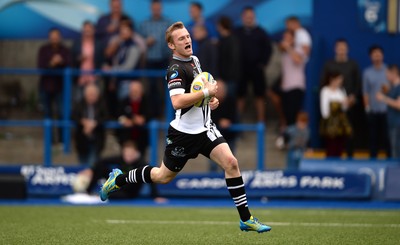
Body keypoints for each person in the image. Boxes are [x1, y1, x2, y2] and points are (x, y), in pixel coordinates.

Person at [99, 21, 271, 233]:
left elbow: (198, 94)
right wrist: (206, 93)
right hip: (184, 135)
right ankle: (119, 178)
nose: (187, 39)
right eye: (181, 38)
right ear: (172, 46)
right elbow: (177, 102)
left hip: (206, 129)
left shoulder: (195, 60)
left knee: (231, 163)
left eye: (188, 36)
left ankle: (246, 219)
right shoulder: (175, 69)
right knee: (162, 176)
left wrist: (210, 101)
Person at [85, 140, 166, 202]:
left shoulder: (142, 163)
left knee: (109, 195)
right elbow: (102, 161)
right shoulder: (121, 159)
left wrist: (156, 196)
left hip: (129, 191)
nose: (128, 157)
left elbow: (151, 178)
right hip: (118, 185)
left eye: (130, 154)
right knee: (100, 167)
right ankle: (87, 192)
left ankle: (102, 194)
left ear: (136, 152)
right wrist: (91, 169)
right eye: (126, 154)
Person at [320, 39, 361, 157]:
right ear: (335, 49)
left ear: (347, 49)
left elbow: (357, 83)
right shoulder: (329, 64)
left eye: (344, 48)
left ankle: (349, 159)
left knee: (347, 136)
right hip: (331, 117)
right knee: (331, 142)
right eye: (339, 47)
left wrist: (352, 98)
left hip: (348, 108)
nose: (341, 50)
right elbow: (323, 84)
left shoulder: (353, 64)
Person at [235, 6, 272, 122]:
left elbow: (268, 49)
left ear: (254, 17)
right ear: (242, 17)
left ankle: (261, 121)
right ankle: (237, 122)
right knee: (240, 95)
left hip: (257, 68)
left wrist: (263, 63)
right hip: (241, 69)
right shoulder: (237, 32)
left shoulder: (261, 32)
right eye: (247, 17)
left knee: (260, 95)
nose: (249, 19)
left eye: (251, 17)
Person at [37, 28, 71, 143]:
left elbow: (69, 64)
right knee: (47, 114)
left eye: (56, 36)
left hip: (61, 87)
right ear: (49, 37)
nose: (54, 39)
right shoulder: (43, 49)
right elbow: (40, 66)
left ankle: (62, 140)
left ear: (60, 37)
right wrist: (51, 63)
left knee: (62, 113)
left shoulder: (65, 50)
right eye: (52, 36)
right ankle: (50, 141)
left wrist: (60, 62)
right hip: (45, 86)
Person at [139, 0, 172, 118]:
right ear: (151, 9)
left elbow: (173, 40)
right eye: (154, 8)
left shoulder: (168, 23)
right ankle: (153, 115)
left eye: (158, 8)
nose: (156, 11)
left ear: (161, 9)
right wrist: (145, 42)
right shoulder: (144, 24)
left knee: (165, 89)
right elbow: (139, 43)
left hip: (164, 60)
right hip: (149, 61)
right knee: (151, 89)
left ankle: (165, 115)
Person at [103, 21, 141, 106]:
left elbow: (128, 68)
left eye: (126, 31)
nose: (123, 33)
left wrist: (111, 70)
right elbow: (114, 61)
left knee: (125, 106)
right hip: (119, 82)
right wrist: (113, 80)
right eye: (121, 31)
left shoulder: (134, 47)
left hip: (129, 83)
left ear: (131, 33)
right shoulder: (121, 46)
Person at [362, 45, 390, 158]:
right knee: (373, 138)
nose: (377, 56)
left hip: (387, 110)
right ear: (371, 57)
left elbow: (394, 89)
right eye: (375, 54)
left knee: (388, 138)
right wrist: (367, 108)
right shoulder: (367, 73)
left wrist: (387, 90)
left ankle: (391, 160)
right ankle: (373, 161)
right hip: (373, 110)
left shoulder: (388, 71)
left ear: (382, 55)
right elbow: (365, 92)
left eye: (379, 54)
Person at [72, 84, 107, 166]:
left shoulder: (102, 104)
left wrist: (95, 123)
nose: (91, 97)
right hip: (82, 140)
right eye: (89, 95)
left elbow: (106, 117)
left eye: (94, 95)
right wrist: (83, 122)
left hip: (96, 139)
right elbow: (74, 116)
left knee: (92, 165)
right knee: (82, 165)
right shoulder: (79, 104)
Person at [320, 71, 353, 157]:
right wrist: (339, 104)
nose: (340, 81)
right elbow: (324, 110)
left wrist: (348, 102)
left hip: (341, 124)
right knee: (331, 146)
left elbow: (344, 108)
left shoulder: (341, 91)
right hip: (330, 123)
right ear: (332, 79)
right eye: (339, 79)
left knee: (340, 146)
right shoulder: (325, 90)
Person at [279, 30, 307, 126]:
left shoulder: (299, 50)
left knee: (293, 115)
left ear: (294, 39)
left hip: (296, 86)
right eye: (285, 37)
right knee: (286, 114)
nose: (286, 40)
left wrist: (288, 48)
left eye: (289, 38)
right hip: (285, 87)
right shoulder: (284, 52)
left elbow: (298, 60)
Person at [71, 21, 103, 102]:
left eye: (89, 29)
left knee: (95, 101)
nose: (87, 31)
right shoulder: (76, 43)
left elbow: (102, 59)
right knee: (78, 101)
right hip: (80, 78)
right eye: (86, 29)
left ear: (94, 30)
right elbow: (71, 59)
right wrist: (79, 59)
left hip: (94, 78)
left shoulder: (99, 44)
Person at [209, 80, 237, 171]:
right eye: (217, 90)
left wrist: (229, 122)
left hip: (228, 136)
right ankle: (213, 181)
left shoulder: (231, 100)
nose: (219, 92)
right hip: (214, 139)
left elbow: (236, 116)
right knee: (213, 164)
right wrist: (219, 121)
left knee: (229, 163)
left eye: (221, 90)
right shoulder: (208, 101)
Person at [117, 81, 150, 156]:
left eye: (136, 91)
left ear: (141, 91)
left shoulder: (146, 102)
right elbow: (118, 115)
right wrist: (124, 120)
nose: (134, 93)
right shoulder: (124, 101)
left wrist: (144, 119)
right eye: (132, 91)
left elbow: (151, 114)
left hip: (141, 138)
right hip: (127, 138)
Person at [376, 64, 400, 159]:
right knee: (393, 149)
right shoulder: (393, 87)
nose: (386, 77)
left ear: (394, 73)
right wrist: (386, 93)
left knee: (396, 151)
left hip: (397, 124)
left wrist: (383, 98)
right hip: (392, 123)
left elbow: (398, 105)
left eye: (387, 74)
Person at [216, 16, 241, 99]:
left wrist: (226, 77)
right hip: (224, 78)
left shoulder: (232, 40)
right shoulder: (221, 40)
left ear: (221, 26)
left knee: (229, 101)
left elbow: (234, 60)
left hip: (230, 79)